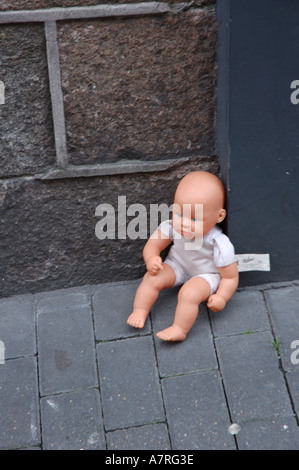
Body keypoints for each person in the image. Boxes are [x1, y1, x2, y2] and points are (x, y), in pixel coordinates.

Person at [127, 171, 239, 342]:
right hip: (177, 265)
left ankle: (179, 329)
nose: (184, 223)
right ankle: (139, 310)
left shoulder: (219, 243)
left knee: (189, 294)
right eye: (180, 214)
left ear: (219, 216)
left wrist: (222, 296)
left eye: (194, 218)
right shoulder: (172, 227)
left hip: (206, 274)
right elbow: (153, 245)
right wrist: (151, 258)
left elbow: (230, 277)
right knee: (152, 278)